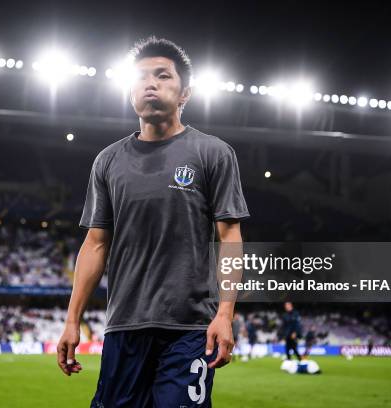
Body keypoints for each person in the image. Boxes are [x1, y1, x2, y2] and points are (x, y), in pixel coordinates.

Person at [56, 36, 250, 407]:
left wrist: (225, 313)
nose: (150, 83)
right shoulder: (107, 162)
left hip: (189, 329)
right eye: (141, 77)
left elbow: (230, 235)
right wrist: (71, 321)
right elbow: (95, 243)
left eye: (163, 76)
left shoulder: (213, 153)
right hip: (124, 327)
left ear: (185, 94)